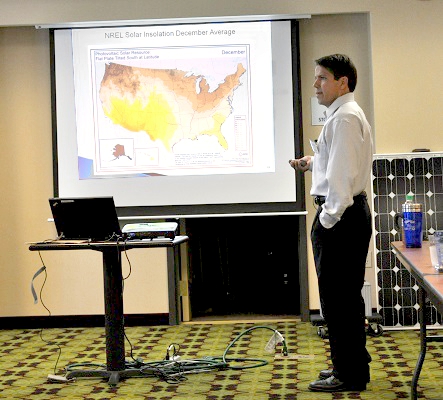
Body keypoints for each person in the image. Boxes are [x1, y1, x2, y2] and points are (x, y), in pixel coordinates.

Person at [289, 54, 373, 392]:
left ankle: (348, 374)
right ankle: (349, 366)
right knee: (344, 300)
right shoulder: (344, 116)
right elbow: (339, 162)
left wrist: (326, 220)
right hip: (347, 216)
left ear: (343, 82)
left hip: (341, 218)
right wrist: (313, 162)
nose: (315, 85)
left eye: (322, 78)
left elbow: (341, 181)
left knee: (338, 302)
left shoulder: (344, 119)